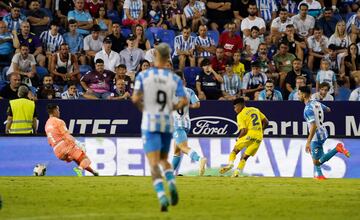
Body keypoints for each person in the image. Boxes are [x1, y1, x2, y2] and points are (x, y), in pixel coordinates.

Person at [131, 43, 188, 212]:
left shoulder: (143, 76)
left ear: (155, 56)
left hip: (149, 123)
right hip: (167, 122)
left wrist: (144, 109)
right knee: (164, 159)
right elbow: (184, 100)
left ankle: (162, 196)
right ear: (168, 57)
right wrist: (171, 107)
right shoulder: (175, 78)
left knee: (153, 163)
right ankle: (171, 183)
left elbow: (135, 99)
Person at [298, 86, 350, 180]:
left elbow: (313, 126)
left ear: (304, 95)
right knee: (317, 156)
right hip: (323, 132)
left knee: (316, 162)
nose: (298, 96)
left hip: (316, 136)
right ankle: (319, 174)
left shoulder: (307, 110)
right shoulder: (316, 103)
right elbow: (328, 109)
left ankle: (337, 148)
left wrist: (308, 142)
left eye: (299, 93)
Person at [219, 97, 268, 177]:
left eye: (235, 107)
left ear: (239, 106)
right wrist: (261, 131)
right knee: (244, 157)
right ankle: (236, 173)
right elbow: (266, 122)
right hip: (259, 136)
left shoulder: (240, 115)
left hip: (249, 135)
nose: (234, 109)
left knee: (234, 151)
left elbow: (244, 130)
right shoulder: (255, 109)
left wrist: (238, 138)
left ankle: (230, 164)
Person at [45, 103, 98, 176]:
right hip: (65, 146)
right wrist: (77, 143)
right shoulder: (59, 121)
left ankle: (93, 172)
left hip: (57, 152)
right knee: (86, 159)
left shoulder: (47, 124)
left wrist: (93, 172)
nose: (59, 112)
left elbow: (49, 142)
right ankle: (79, 169)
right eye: (58, 110)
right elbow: (66, 135)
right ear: (54, 110)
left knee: (78, 159)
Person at [172, 70, 206, 175]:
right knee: (177, 151)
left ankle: (199, 159)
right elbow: (197, 105)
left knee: (183, 147)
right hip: (187, 123)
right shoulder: (189, 91)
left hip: (177, 124)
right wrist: (188, 105)